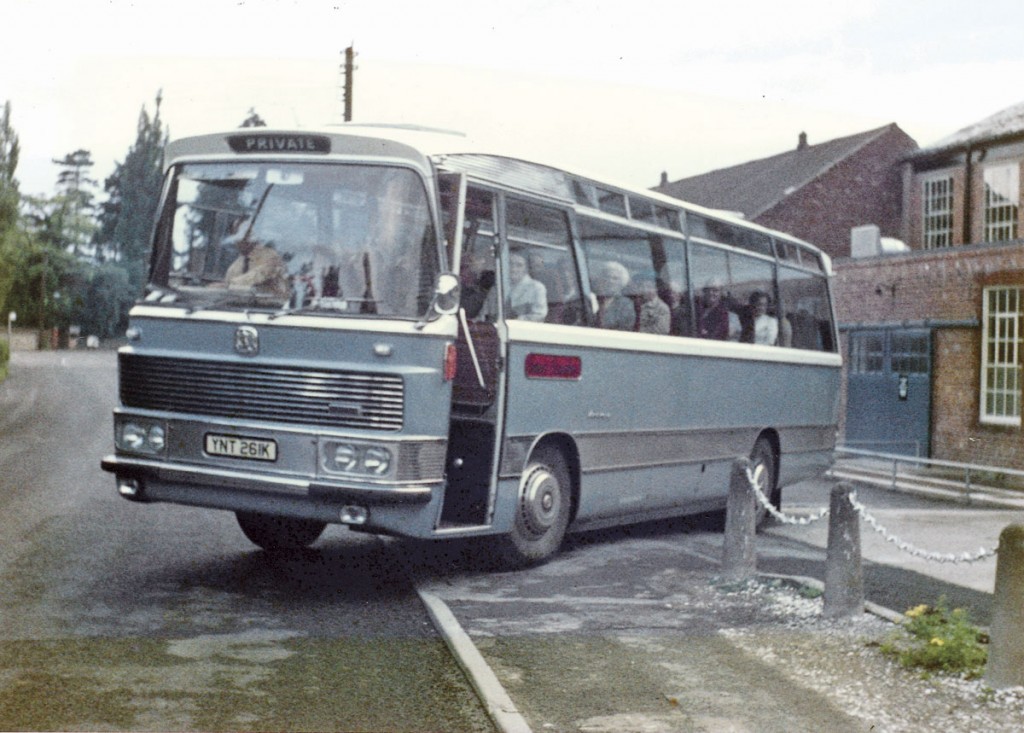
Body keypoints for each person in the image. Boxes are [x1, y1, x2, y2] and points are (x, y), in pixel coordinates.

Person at [221, 217, 289, 297]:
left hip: (271, 307)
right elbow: (227, 294)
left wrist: (229, 285)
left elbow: (259, 275)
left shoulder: (271, 257)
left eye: (247, 233)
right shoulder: (234, 267)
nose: (243, 238)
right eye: (238, 234)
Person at [481, 252, 547, 321]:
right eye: (510, 264)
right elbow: (483, 315)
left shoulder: (536, 288)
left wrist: (516, 320)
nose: (513, 269)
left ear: (526, 268)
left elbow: (539, 315)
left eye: (519, 265)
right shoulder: (496, 289)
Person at [593, 261, 636, 331]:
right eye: (607, 276)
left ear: (621, 282)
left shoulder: (625, 305)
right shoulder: (591, 297)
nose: (610, 281)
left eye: (615, 278)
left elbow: (625, 329)